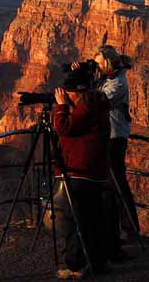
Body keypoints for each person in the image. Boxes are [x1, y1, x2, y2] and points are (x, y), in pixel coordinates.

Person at [73, 45, 140, 262]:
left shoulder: (118, 83)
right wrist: (83, 75)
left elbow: (97, 105)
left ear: (108, 63)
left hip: (114, 139)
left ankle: (130, 230)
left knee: (118, 185)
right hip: (105, 138)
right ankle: (115, 230)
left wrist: (85, 86)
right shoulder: (107, 79)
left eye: (99, 64)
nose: (97, 68)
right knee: (109, 187)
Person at [53, 69, 111, 279]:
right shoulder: (95, 103)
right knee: (93, 220)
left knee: (74, 222)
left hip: (80, 172)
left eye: (69, 94)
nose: (67, 97)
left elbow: (63, 127)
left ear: (77, 93)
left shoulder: (86, 106)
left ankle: (75, 267)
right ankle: (97, 262)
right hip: (93, 173)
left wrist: (60, 107)